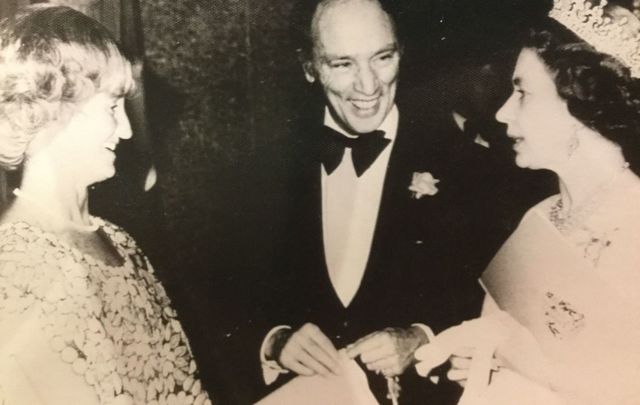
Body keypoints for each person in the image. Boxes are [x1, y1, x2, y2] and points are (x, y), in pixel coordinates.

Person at [235, 0, 511, 403]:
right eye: (342, 64)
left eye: (382, 58)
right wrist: (275, 342)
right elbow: (220, 296)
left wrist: (422, 336)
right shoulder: (259, 171)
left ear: (401, 53)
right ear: (309, 67)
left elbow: (499, 306)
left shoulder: (470, 167)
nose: (368, 86)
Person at [414, 3, 640, 405]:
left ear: (578, 107)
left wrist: (509, 353)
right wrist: (483, 366)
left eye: (522, 93)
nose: (503, 113)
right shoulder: (540, 214)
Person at [0, 5, 212, 404]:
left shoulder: (120, 241)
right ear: (52, 108)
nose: (128, 130)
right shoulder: (12, 264)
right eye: (113, 107)